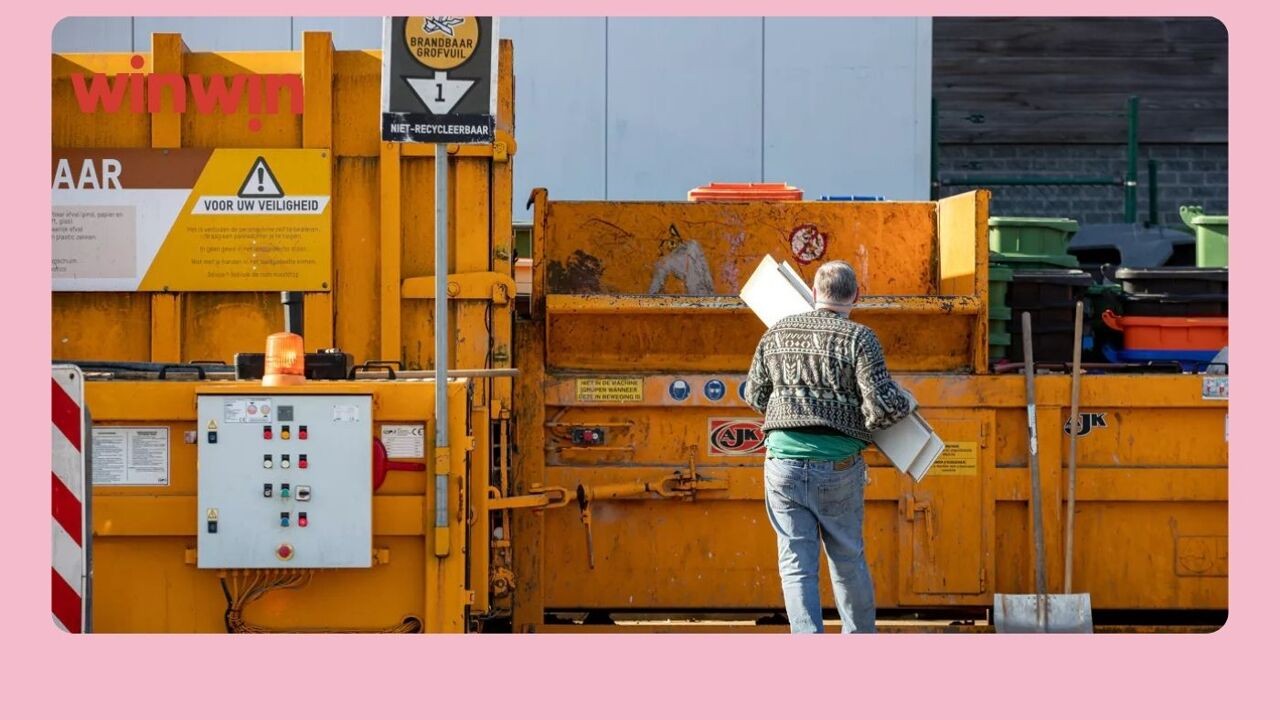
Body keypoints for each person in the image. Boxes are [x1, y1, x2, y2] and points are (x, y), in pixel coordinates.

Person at [743, 260, 915, 633]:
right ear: (856, 295)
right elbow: (881, 409)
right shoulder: (860, 339)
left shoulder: (778, 331)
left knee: (796, 564)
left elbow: (754, 395)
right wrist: (906, 401)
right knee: (847, 559)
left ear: (814, 292)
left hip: (783, 464)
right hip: (838, 467)